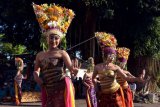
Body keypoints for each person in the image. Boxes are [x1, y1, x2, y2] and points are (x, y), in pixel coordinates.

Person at [32, 3, 77, 107]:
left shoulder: (62, 53)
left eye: (56, 38)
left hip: (62, 88)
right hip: (47, 88)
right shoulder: (40, 55)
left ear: (59, 40)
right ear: (46, 39)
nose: (53, 40)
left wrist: (74, 70)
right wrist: (36, 77)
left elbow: (71, 69)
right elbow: (36, 71)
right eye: (51, 37)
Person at [92, 32, 144, 107]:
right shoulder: (97, 67)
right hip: (104, 95)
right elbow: (93, 79)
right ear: (105, 55)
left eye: (114, 56)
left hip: (115, 94)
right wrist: (97, 89)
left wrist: (137, 78)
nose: (112, 58)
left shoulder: (115, 67)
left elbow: (126, 78)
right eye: (111, 55)